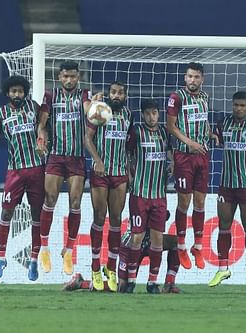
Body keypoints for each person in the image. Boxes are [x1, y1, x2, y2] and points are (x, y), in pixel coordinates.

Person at [37, 61, 100, 275]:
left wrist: (95, 106)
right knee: (49, 200)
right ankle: (44, 248)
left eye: (73, 76)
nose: (69, 80)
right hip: (55, 157)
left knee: (75, 202)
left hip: (77, 158)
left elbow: (87, 109)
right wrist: (41, 138)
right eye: (65, 76)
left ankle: (69, 251)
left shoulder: (83, 94)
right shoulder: (50, 96)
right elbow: (42, 124)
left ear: (78, 77)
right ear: (59, 77)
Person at [0, 75, 46, 281]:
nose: (17, 94)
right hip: (15, 171)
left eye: (20, 91)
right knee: (6, 212)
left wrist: (43, 142)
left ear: (24, 92)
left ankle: (34, 260)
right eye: (13, 91)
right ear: (8, 93)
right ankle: (0, 258)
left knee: (37, 215)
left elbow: (45, 128)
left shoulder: (34, 108)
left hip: (37, 169)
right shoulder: (1, 113)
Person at [208, 91, 246, 291]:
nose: (238, 108)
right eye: (235, 105)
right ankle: (223, 268)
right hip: (226, 184)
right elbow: (215, 137)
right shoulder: (223, 123)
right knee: (223, 224)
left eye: (242, 105)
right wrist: (212, 136)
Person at [167, 62, 218, 270]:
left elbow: (202, 121)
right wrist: (190, 143)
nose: (192, 80)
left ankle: (198, 246)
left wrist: (209, 134)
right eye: (189, 76)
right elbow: (171, 126)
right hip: (184, 156)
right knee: (184, 201)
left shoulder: (204, 97)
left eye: (196, 77)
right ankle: (181, 245)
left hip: (202, 155)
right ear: (184, 77)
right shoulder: (176, 97)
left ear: (202, 79)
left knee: (200, 202)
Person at [84, 81, 131, 291]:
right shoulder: (100, 111)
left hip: (120, 174)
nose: (117, 95)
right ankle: (95, 267)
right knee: (99, 217)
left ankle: (110, 268)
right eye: (113, 92)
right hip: (101, 173)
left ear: (125, 96)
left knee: (116, 220)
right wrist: (97, 160)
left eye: (120, 93)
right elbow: (87, 138)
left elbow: (130, 147)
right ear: (109, 94)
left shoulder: (129, 115)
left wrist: (130, 172)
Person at [125, 99, 172, 294]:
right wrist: (129, 177)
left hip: (159, 196)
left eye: (155, 113)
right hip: (139, 194)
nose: (152, 117)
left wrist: (171, 166)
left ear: (159, 114)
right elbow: (126, 155)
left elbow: (171, 155)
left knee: (157, 241)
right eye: (148, 113)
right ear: (143, 114)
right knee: (136, 238)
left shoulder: (165, 133)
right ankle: (131, 280)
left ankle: (152, 282)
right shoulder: (136, 132)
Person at [63, 230, 182, 294]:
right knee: (122, 288)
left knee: (175, 242)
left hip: (149, 241)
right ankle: (81, 283)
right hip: (131, 245)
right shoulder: (139, 197)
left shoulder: (156, 196)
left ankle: (169, 284)